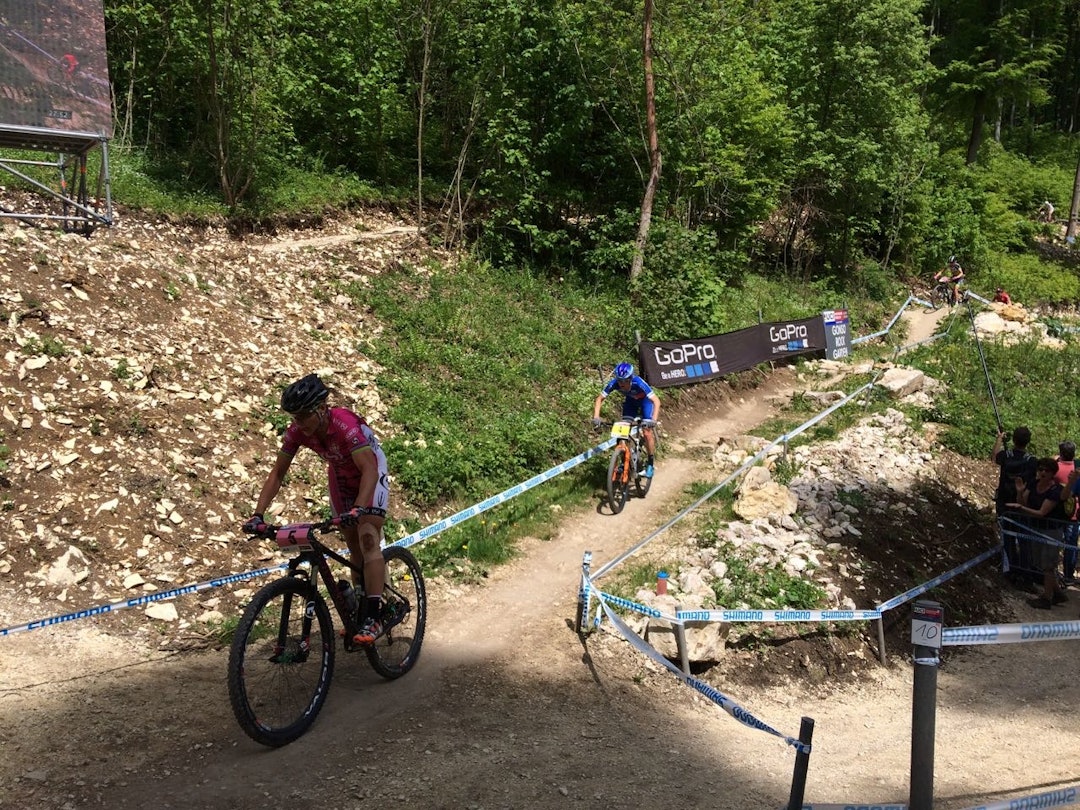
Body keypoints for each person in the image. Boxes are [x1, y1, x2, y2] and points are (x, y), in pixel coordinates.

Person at [244, 373, 390, 644]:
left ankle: (374, 615)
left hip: (370, 471)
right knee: (351, 543)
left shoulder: (344, 425)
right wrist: (258, 513)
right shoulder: (298, 431)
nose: (298, 423)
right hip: (341, 477)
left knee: (367, 535)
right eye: (294, 417)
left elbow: (369, 469)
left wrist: (360, 508)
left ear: (322, 409)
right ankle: (359, 605)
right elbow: (277, 473)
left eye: (303, 416)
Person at [1007, 457, 1068, 609]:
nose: (1042, 473)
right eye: (1040, 469)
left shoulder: (1055, 491)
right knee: (1041, 563)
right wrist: (1020, 493)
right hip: (1036, 528)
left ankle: (1047, 598)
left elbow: (1042, 512)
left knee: (1048, 565)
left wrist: (1021, 508)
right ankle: (1058, 593)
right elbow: (1023, 503)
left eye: (1046, 470)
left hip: (1051, 530)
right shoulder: (1034, 484)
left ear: (1052, 473)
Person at [592, 362, 661, 477]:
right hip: (630, 404)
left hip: (645, 403)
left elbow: (656, 401)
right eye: (619, 380)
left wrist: (653, 420)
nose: (621, 384)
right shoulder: (614, 383)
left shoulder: (638, 382)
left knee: (647, 432)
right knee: (622, 433)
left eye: (624, 381)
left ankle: (650, 463)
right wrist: (596, 417)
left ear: (630, 378)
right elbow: (599, 399)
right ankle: (625, 461)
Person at [992, 426, 1038, 592]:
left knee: (1007, 537)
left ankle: (1010, 570)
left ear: (1013, 440)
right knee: (1025, 539)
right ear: (1028, 441)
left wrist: (999, 439)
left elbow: (994, 457)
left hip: (1004, 501)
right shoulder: (1032, 461)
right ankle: (1026, 575)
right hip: (1023, 504)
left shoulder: (1006, 455)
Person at [1055, 441, 1077, 585]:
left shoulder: (1055, 467)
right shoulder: (1077, 469)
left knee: (1054, 542)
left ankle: (1052, 572)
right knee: (1071, 544)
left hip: (1056, 511)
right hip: (1074, 512)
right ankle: (1069, 575)